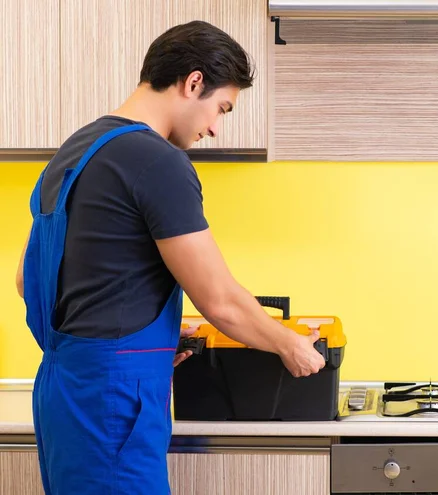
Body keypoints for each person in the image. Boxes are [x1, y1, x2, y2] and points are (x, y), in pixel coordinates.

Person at [15, 20, 326, 495]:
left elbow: (26, 278)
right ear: (193, 82)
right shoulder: (156, 159)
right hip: (115, 403)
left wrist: (148, 333)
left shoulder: (72, 152)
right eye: (221, 108)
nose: (215, 128)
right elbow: (219, 301)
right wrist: (289, 344)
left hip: (63, 394)